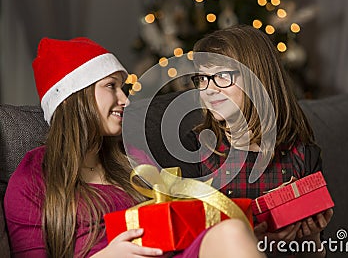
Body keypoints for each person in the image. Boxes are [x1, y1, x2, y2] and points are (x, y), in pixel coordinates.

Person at [4, 37, 265, 258]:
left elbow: (178, 227)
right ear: (75, 96)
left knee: (231, 232)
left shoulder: (131, 162)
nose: (125, 100)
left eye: (123, 88)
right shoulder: (33, 179)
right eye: (111, 87)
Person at [173, 24, 332, 257]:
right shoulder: (194, 149)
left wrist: (311, 236)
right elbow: (187, 245)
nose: (208, 89)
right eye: (203, 78)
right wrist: (249, 241)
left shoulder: (302, 154)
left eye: (222, 76)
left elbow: (313, 253)